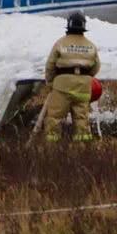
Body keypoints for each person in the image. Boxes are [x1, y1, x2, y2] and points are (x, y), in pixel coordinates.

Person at [41, 11, 100, 141]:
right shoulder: (91, 46)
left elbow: (50, 65)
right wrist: (85, 78)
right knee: (81, 118)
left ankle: (51, 147)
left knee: (54, 117)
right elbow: (96, 67)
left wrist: (51, 82)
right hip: (83, 87)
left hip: (62, 85)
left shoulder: (60, 43)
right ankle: (82, 146)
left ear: (68, 26)